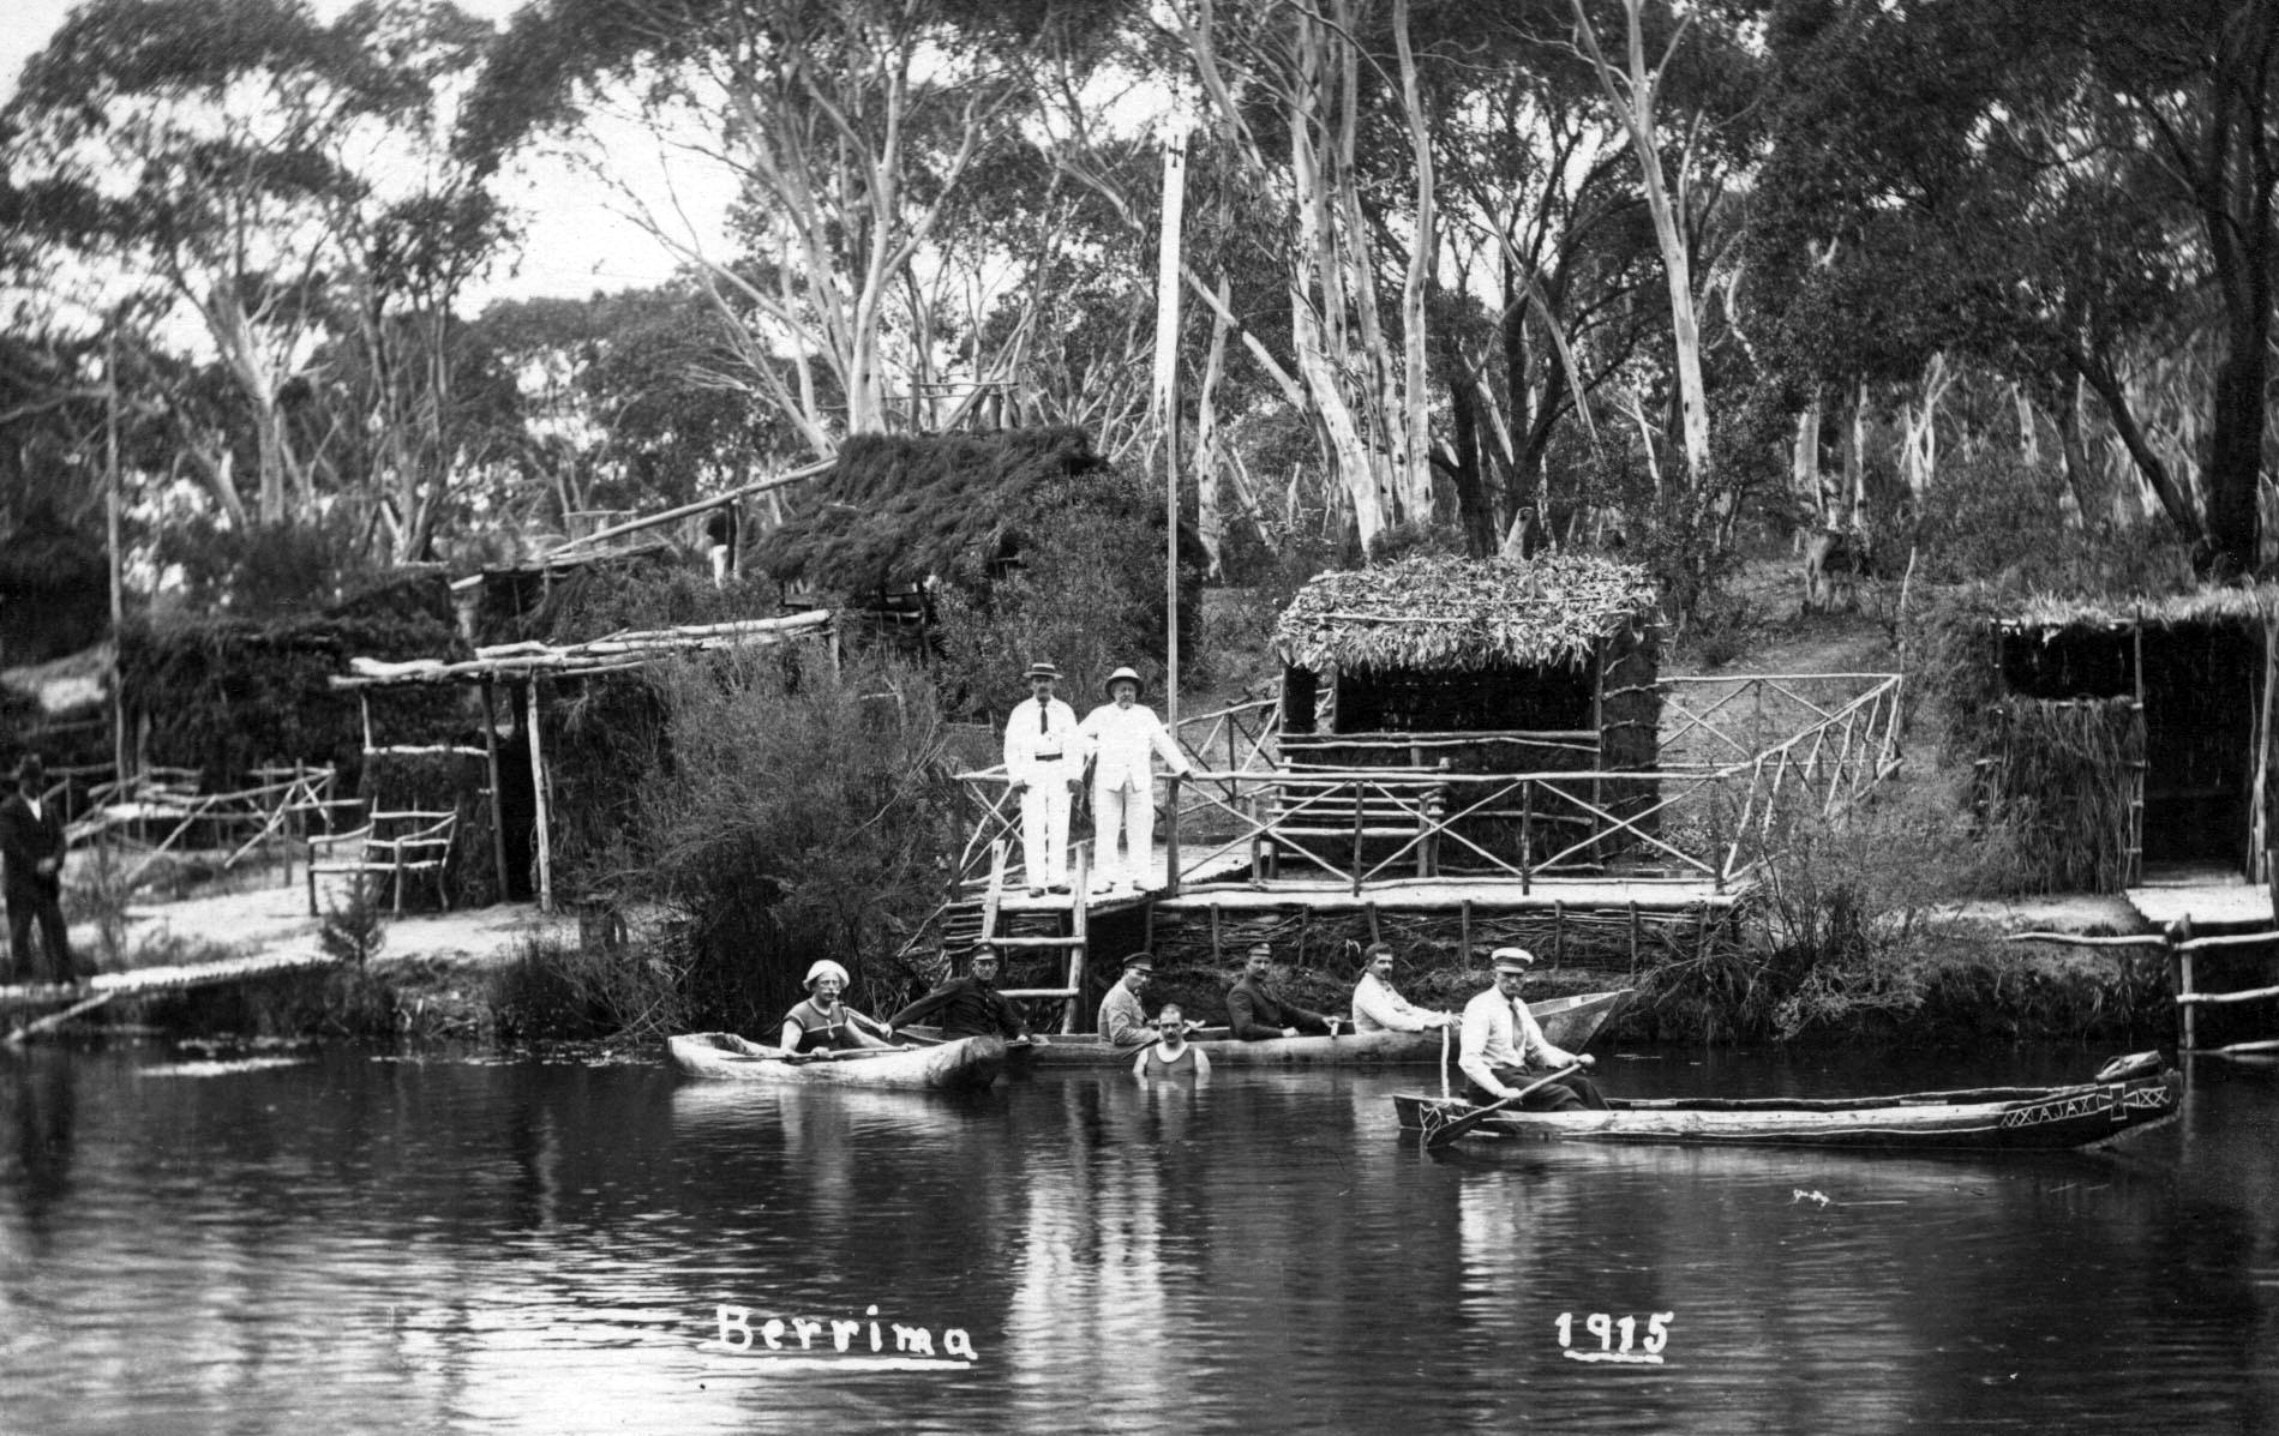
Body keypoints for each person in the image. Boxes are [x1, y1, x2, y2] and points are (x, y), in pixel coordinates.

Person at [1079, 665, 1192, 895]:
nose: (1126, 694)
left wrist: (1182, 767)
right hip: (1108, 781)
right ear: (1113, 692)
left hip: (1138, 781)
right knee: (1106, 829)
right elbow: (1078, 734)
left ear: (1136, 692)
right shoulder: (1101, 714)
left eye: (1130, 689)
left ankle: (1140, 876)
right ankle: (1105, 878)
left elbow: (1162, 741)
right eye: (1122, 689)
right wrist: (1095, 749)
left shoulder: (1146, 714)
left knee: (1140, 829)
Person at [1457, 947, 1606, 1110]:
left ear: (1524, 978)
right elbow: (1469, 1061)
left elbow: (1537, 1050)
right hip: (1488, 1083)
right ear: (1494, 975)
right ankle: (1590, 1131)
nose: (1513, 981)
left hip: (1518, 1075)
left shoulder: (1520, 1006)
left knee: (1582, 1086)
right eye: (1507, 975)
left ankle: (1611, 1126)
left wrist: (1572, 1059)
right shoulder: (1480, 1006)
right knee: (1563, 1096)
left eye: (1518, 976)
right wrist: (1500, 1091)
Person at [1004, 660, 1082, 898]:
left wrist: (1074, 775)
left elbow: (1075, 745)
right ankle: (1036, 882)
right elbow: (1011, 747)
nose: (1042, 685)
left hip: (1059, 770)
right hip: (1032, 772)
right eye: (1038, 681)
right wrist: (1016, 777)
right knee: (1034, 827)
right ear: (1031, 684)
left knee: (1059, 826)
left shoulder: (1065, 711)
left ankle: (1058, 879)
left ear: (1053, 684)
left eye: (1046, 681)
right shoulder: (1020, 712)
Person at [1, 756, 77, 986]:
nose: (36, 785)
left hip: (46, 885)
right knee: (20, 934)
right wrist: (35, 865)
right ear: (21, 781)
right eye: (31, 780)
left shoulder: (49, 809)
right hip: (21, 884)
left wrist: (55, 861)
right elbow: (10, 844)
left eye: (39, 779)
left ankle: (64, 979)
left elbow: (61, 841)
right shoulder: (8, 810)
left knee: (56, 931)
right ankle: (24, 982)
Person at [887, 946, 1038, 1043]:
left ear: (996, 967)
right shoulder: (958, 986)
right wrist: (893, 1024)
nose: (986, 969)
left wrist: (1022, 1035)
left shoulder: (997, 998)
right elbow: (926, 1004)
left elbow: (1015, 1025)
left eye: (990, 964)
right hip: (955, 1046)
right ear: (973, 966)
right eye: (982, 964)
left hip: (983, 1048)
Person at [780, 959, 896, 1055]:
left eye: (835, 983)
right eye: (825, 982)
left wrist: (895, 1050)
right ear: (813, 986)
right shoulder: (799, 1014)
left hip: (836, 1067)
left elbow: (862, 1040)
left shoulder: (839, 1011)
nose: (831, 988)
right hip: (807, 1072)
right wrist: (812, 1053)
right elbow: (785, 1052)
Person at [1227, 942, 1339, 1040]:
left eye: (1266, 962)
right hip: (1253, 1054)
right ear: (1246, 965)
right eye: (1257, 962)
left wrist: (1322, 1019)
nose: (1262, 967)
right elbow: (1245, 1029)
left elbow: (1291, 1012)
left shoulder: (1265, 988)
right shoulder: (1240, 992)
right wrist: (1282, 1033)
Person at [1350, 942, 1456, 1033]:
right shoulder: (1367, 989)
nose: (1387, 966)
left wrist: (1439, 1017)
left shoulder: (1383, 985)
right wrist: (1428, 1024)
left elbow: (1408, 1010)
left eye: (1390, 962)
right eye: (1381, 962)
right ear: (1368, 965)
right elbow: (1390, 1020)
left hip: (1391, 1042)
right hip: (1372, 1049)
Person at [1133, 1003, 1211, 1079]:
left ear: (1183, 1026)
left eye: (1174, 1025)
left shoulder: (1197, 1056)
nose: (1170, 1030)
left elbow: (1201, 1089)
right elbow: (1140, 1088)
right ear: (1159, 1026)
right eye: (1165, 1026)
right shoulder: (1145, 1055)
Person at [1096, 951, 1156, 1047]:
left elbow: (1139, 1023)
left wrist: (1165, 1023)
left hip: (1127, 1053)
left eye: (1148, 976)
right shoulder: (1120, 994)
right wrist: (1157, 1035)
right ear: (1126, 973)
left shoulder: (1133, 994)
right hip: (1115, 1057)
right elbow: (1120, 1035)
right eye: (1140, 974)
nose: (1144, 979)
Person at [702, 502, 740, 588]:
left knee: (719, 569)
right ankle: (734, 587)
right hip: (731, 546)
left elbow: (709, 535)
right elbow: (737, 532)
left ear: (719, 507)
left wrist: (709, 550)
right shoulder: (734, 518)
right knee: (733, 568)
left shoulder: (714, 519)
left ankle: (720, 589)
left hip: (718, 546)